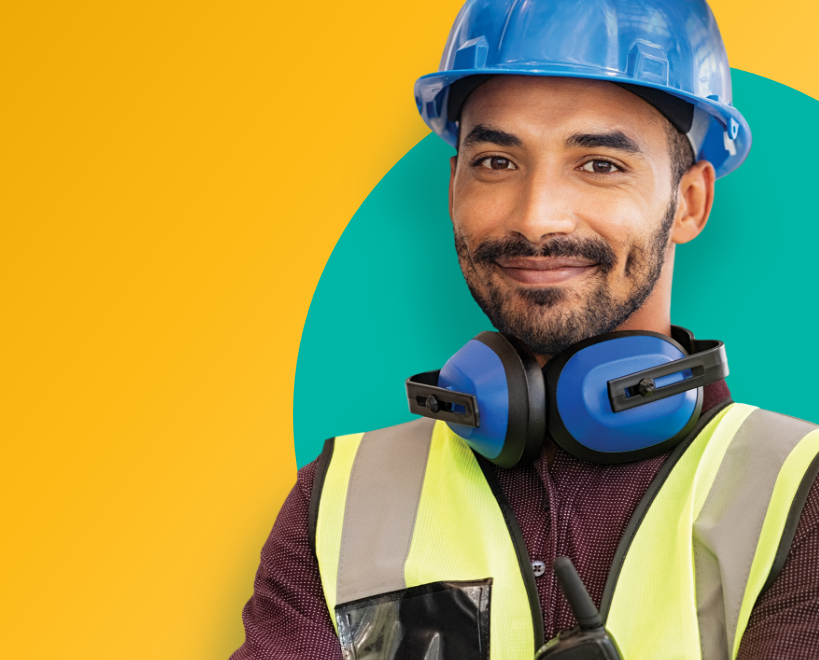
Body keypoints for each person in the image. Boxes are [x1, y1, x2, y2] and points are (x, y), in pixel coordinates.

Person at [231, 1, 819, 658]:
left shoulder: (799, 490)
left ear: (689, 202)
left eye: (599, 163)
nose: (536, 218)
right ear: (453, 184)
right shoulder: (336, 503)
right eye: (496, 162)